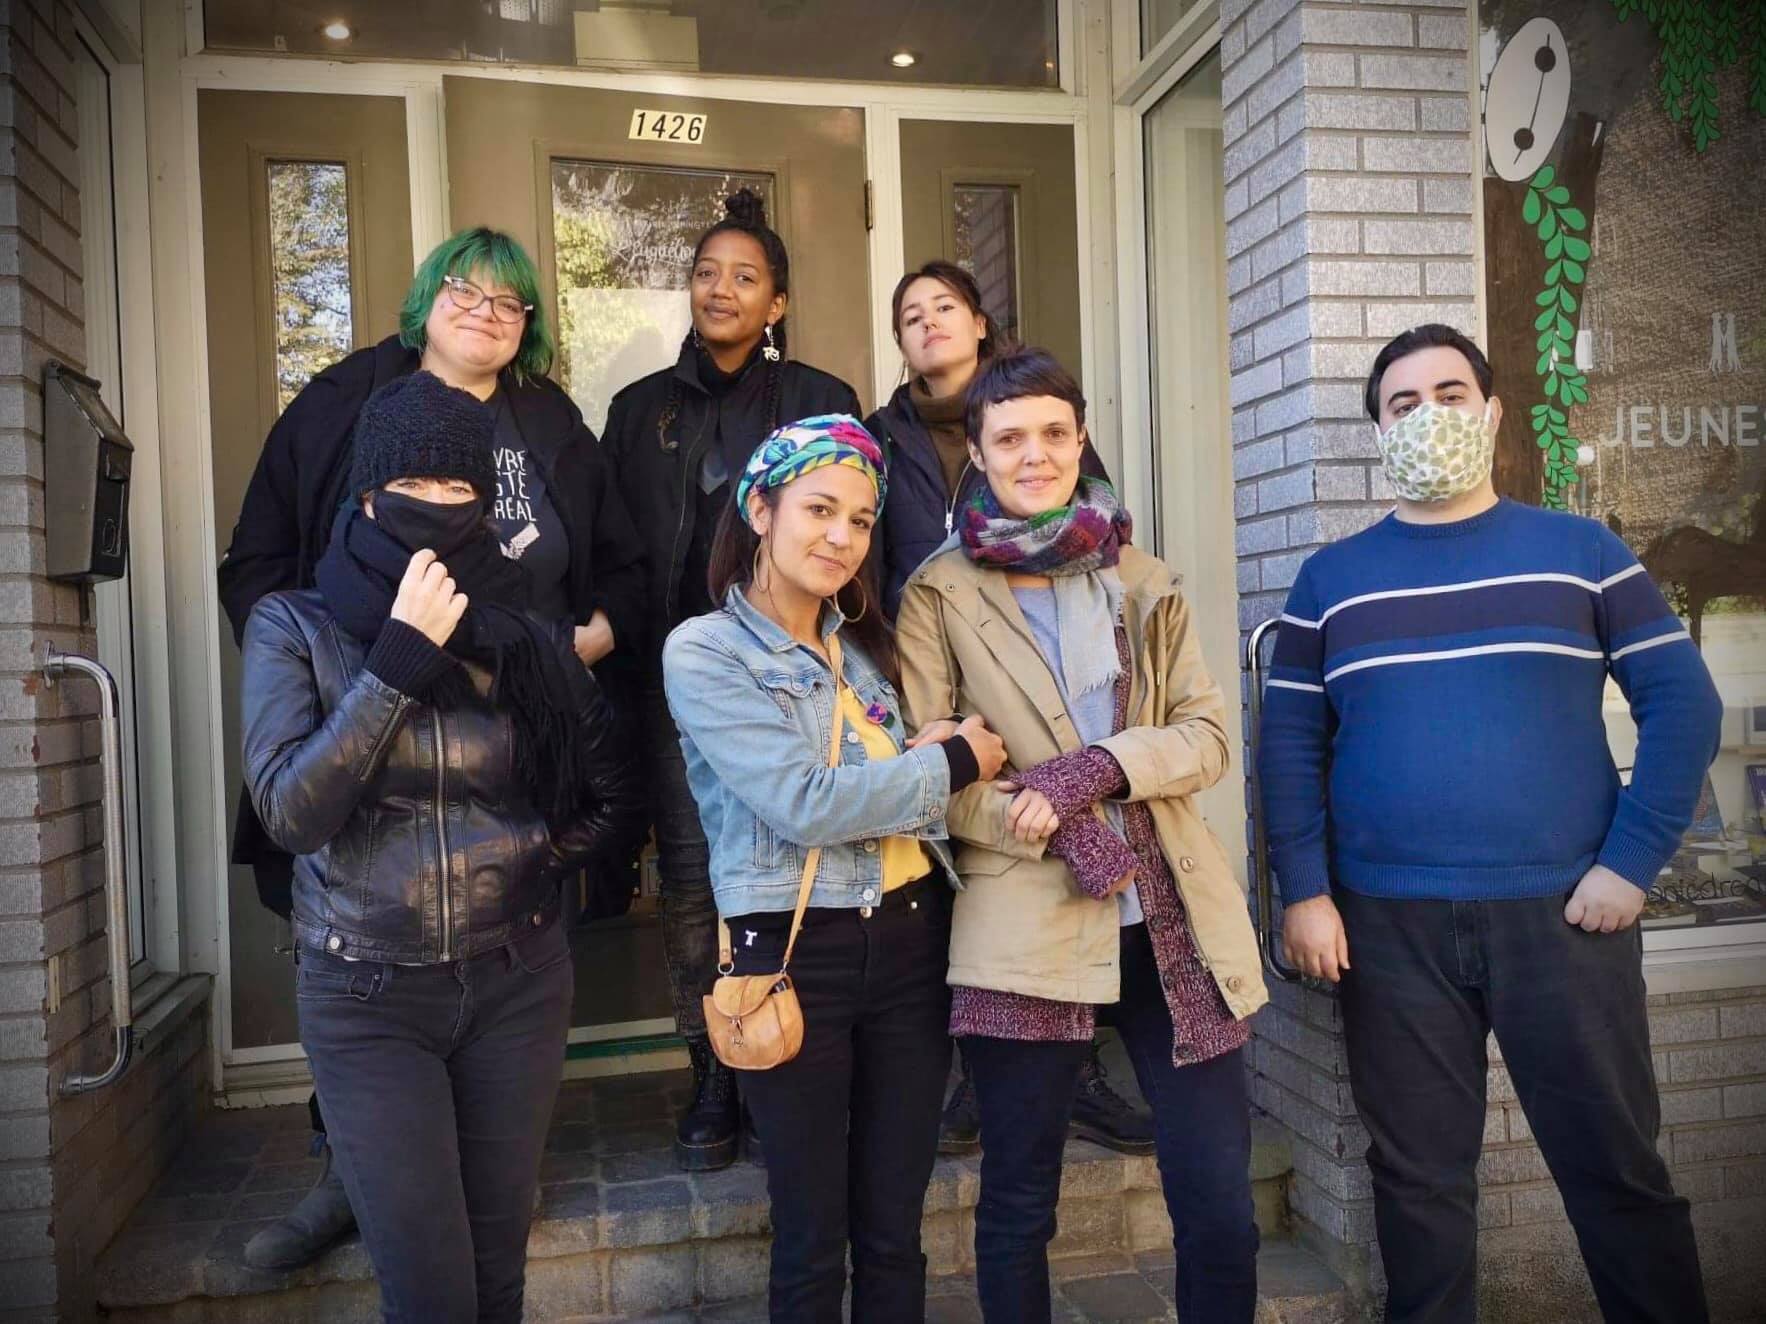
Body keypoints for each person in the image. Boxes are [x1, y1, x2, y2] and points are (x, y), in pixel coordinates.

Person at [1258, 324, 1721, 1323]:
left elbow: (1683, 706)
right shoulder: (1327, 583)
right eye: (1403, 404)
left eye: (1450, 393)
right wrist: (1303, 890)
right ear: (1376, 432)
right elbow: (1287, 747)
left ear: (1492, 411)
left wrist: (1629, 863)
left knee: (1616, 1172)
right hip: (1387, 929)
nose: (1430, 416)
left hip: (1563, 918)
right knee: (1418, 1189)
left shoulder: (1579, 553)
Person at [218, 226, 646, 1271]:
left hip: (509, 793)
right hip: (364, 805)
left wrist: (558, 653)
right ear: (426, 299)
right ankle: (353, 1179)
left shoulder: (550, 423)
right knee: (410, 1192)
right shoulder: (343, 401)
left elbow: (620, 567)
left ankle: (455, 1186)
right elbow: (263, 564)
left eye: (511, 303)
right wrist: (357, 661)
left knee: (486, 1237)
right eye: (465, 291)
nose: (486, 313)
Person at [896, 348, 1268, 1324]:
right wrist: (1057, 829)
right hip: (1023, 924)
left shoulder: (1143, 578)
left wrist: (1096, 770)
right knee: (1019, 1203)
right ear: (975, 450)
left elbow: (1208, 736)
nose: (1034, 454)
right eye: (1008, 437)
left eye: (1052, 432)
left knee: (1219, 1205)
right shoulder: (938, 593)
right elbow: (927, 778)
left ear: (1078, 436)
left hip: (1172, 913)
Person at [663, 415, 1006, 1322]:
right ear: (761, 508)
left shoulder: (863, 653)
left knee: (895, 1227)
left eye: (859, 521)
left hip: (909, 943)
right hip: (790, 954)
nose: (840, 537)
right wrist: (951, 761)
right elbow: (803, 803)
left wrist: (921, 755)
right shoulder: (704, 651)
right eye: (818, 508)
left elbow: (890, 791)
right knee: (812, 1235)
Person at [602, 190, 862, 1171]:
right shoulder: (638, 413)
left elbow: (849, 533)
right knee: (692, 885)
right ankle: (714, 1068)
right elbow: (616, 559)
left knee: (791, 868)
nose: (722, 289)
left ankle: (784, 1060)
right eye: (707, 272)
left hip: (799, 680)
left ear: (777, 302)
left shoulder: (818, 398)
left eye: (744, 277)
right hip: (678, 689)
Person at [868, 261, 1145, 1159]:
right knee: (975, 887)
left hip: (1064, 672)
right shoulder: (887, 435)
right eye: (911, 314)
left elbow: (1100, 536)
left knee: (1074, 895)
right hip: (942, 660)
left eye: (944, 306)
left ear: (981, 322)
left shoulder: (1044, 416)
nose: (928, 323)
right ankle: (982, 1081)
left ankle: (1085, 1075)